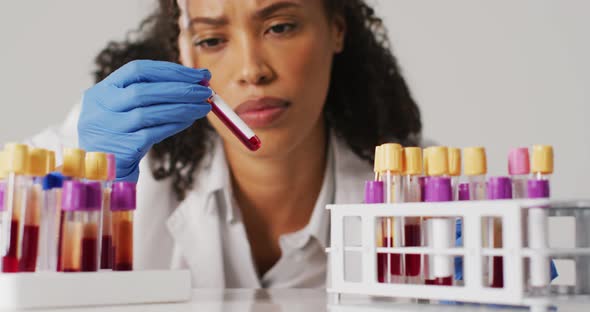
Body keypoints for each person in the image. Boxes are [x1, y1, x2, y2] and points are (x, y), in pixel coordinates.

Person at [29, 0, 421, 287]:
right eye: (213, 39)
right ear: (182, 50)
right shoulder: (99, 146)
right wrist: (85, 198)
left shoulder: (415, 193)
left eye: (280, 27)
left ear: (337, 28)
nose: (252, 70)